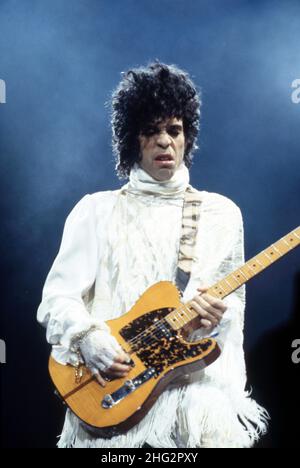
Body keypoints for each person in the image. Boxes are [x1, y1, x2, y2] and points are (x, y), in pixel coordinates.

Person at [37, 62, 268, 448]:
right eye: (151, 131)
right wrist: (87, 338)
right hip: (114, 398)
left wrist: (209, 325)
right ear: (132, 140)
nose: (164, 141)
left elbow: (233, 318)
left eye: (174, 131)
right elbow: (57, 298)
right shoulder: (95, 210)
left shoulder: (222, 214)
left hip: (193, 408)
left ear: (187, 138)